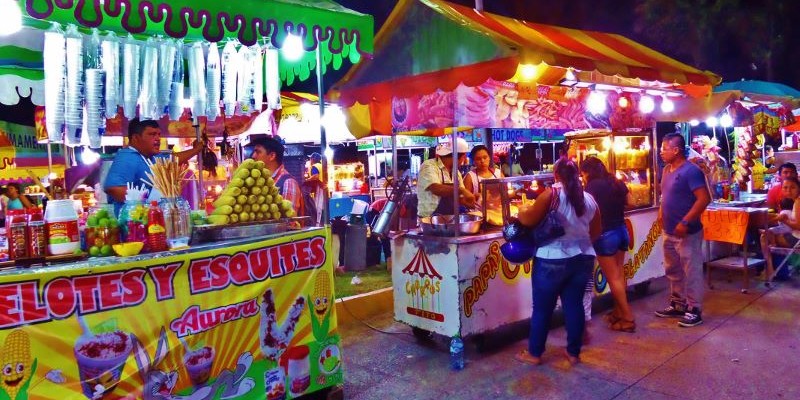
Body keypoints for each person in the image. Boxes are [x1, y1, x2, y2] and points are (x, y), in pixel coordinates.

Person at [514, 159, 601, 366]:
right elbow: (597, 231)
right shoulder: (589, 199)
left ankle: (535, 353)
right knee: (574, 305)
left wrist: (522, 210)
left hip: (551, 259)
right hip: (582, 258)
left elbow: (527, 220)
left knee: (543, 308)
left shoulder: (551, 195)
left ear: (556, 175)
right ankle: (573, 353)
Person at [655, 133, 711, 328]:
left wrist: (686, 221)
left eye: (664, 148)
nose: (661, 152)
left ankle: (694, 308)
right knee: (673, 269)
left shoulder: (691, 171)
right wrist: (662, 213)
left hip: (688, 232)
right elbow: (665, 195)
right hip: (669, 231)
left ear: (676, 150)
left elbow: (704, 199)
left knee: (692, 270)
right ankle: (678, 303)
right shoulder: (667, 170)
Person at [580, 157, 636, 332]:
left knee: (613, 278)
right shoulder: (615, 181)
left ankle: (628, 318)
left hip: (605, 235)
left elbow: (584, 211)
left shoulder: (591, 187)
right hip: (621, 231)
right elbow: (632, 202)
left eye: (582, 173)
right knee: (619, 274)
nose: (582, 177)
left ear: (587, 172)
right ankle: (618, 312)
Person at [104, 119, 204, 214]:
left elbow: (173, 159)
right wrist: (145, 202)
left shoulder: (150, 157)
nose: (157, 138)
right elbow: (113, 187)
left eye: (159, 134)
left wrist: (196, 149)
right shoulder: (127, 157)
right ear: (135, 138)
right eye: (152, 134)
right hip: (135, 224)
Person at [417, 138, 476, 218]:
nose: (464, 160)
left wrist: (472, 203)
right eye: (464, 157)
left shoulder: (456, 172)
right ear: (461, 156)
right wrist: (461, 190)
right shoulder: (429, 165)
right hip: (429, 220)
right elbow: (435, 188)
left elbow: (460, 199)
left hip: (451, 219)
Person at [248, 136, 304, 217]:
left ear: (272, 156)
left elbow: (289, 221)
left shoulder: (288, 183)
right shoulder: (260, 181)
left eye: (258, 152)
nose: (253, 156)